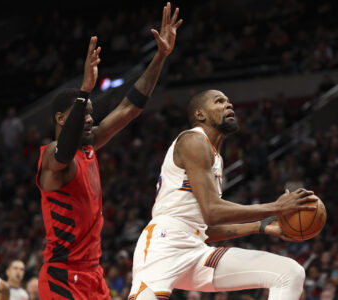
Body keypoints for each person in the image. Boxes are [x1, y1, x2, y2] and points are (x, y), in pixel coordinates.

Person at [36, 3, 182, 299]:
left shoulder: (89, 146)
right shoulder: (52, 157)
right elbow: (63, 152)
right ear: (61, 119)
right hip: (62, 275)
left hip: (92, 273)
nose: (91, 118)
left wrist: (160, 56)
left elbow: (130, 107)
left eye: (91, 113)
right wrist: (84, 92)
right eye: (84, 113)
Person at [129, 89, 318, 300]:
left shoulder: (216, 157)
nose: (229, 105)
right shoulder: (193, 141)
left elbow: (206, 229)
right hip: (163, 245)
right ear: (200, 114)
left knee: (289, 272)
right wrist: (276, 207)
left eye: (229, 102)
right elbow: (212, 212)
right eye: (219, 101)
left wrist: (260, 227)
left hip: (195, 248)